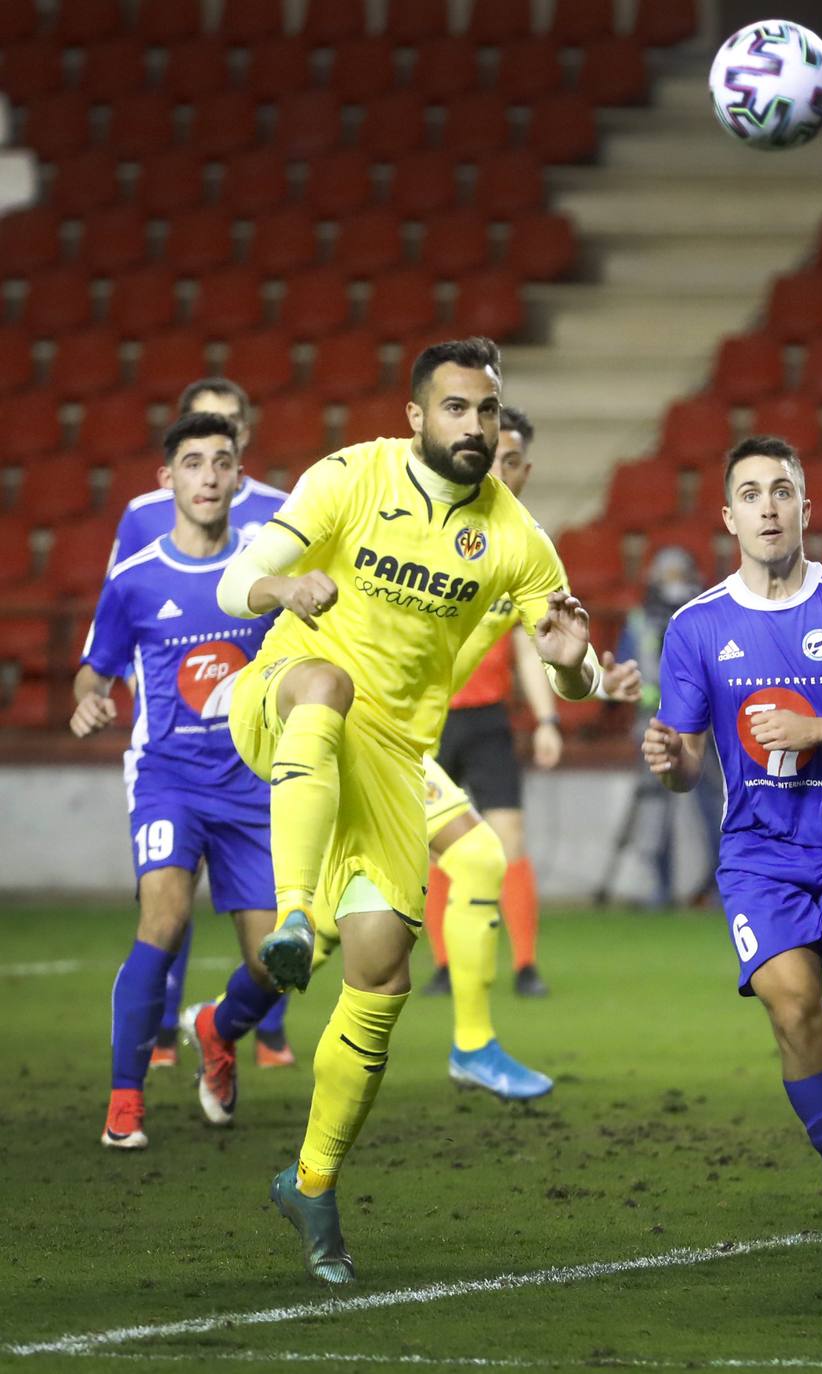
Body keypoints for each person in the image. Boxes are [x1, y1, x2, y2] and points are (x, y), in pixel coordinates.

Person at [212, 337, 605, 1281]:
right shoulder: (351, 476)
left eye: (489, 412)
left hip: (394, 759)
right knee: (327, 684)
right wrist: (283, 588)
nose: (477, 427)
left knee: (384, 973)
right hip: (285, 693)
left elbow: (578, 667)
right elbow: (236, 581)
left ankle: (309, 1183)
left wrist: (574, 666)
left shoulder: (514, 536)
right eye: (459, 408)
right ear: (416, 416)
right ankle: (296, 916)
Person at [640, 436, 822, 1254]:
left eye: (781, 490)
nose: (767, 506)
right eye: (750, 493)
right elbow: (688, 760)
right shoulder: (695, 625)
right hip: (758, 853)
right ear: (727, 515)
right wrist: (671, 761)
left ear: (807, 507)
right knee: (793, 1007)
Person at [73, 413, 292, 1148]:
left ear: (239, 478)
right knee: (161, 922)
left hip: (251, 787)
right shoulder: (134, 580)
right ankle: (125, 1100)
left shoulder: (266, 577)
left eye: (220, 462)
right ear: (166, 480)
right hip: (168, 779)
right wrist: (88, 699)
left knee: (275, 964)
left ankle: (214, 1028)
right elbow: (93, 665)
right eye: (192, 463)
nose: (207, 475)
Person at [422, 407, 570, 1000]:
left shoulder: (528, 548)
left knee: (509, 842)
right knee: (437, 849)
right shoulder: (432, 530)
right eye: (492, 455)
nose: (498, 469)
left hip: (486, 719)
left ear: (525, 470)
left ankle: (525, 965)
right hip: (428, 719)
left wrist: (548, 719)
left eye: (511, 460)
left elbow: (531, 645)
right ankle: (444, 966)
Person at [611, 545, 723, 908]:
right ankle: (661, 888)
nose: (673, 582)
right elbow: (626, 667)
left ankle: (722, 886)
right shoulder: (640, 620)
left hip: (704, 723)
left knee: (715, 807)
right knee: (654, 810)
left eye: (679, 573)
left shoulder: (708, 614)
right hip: (654, 722)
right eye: (666, 574)